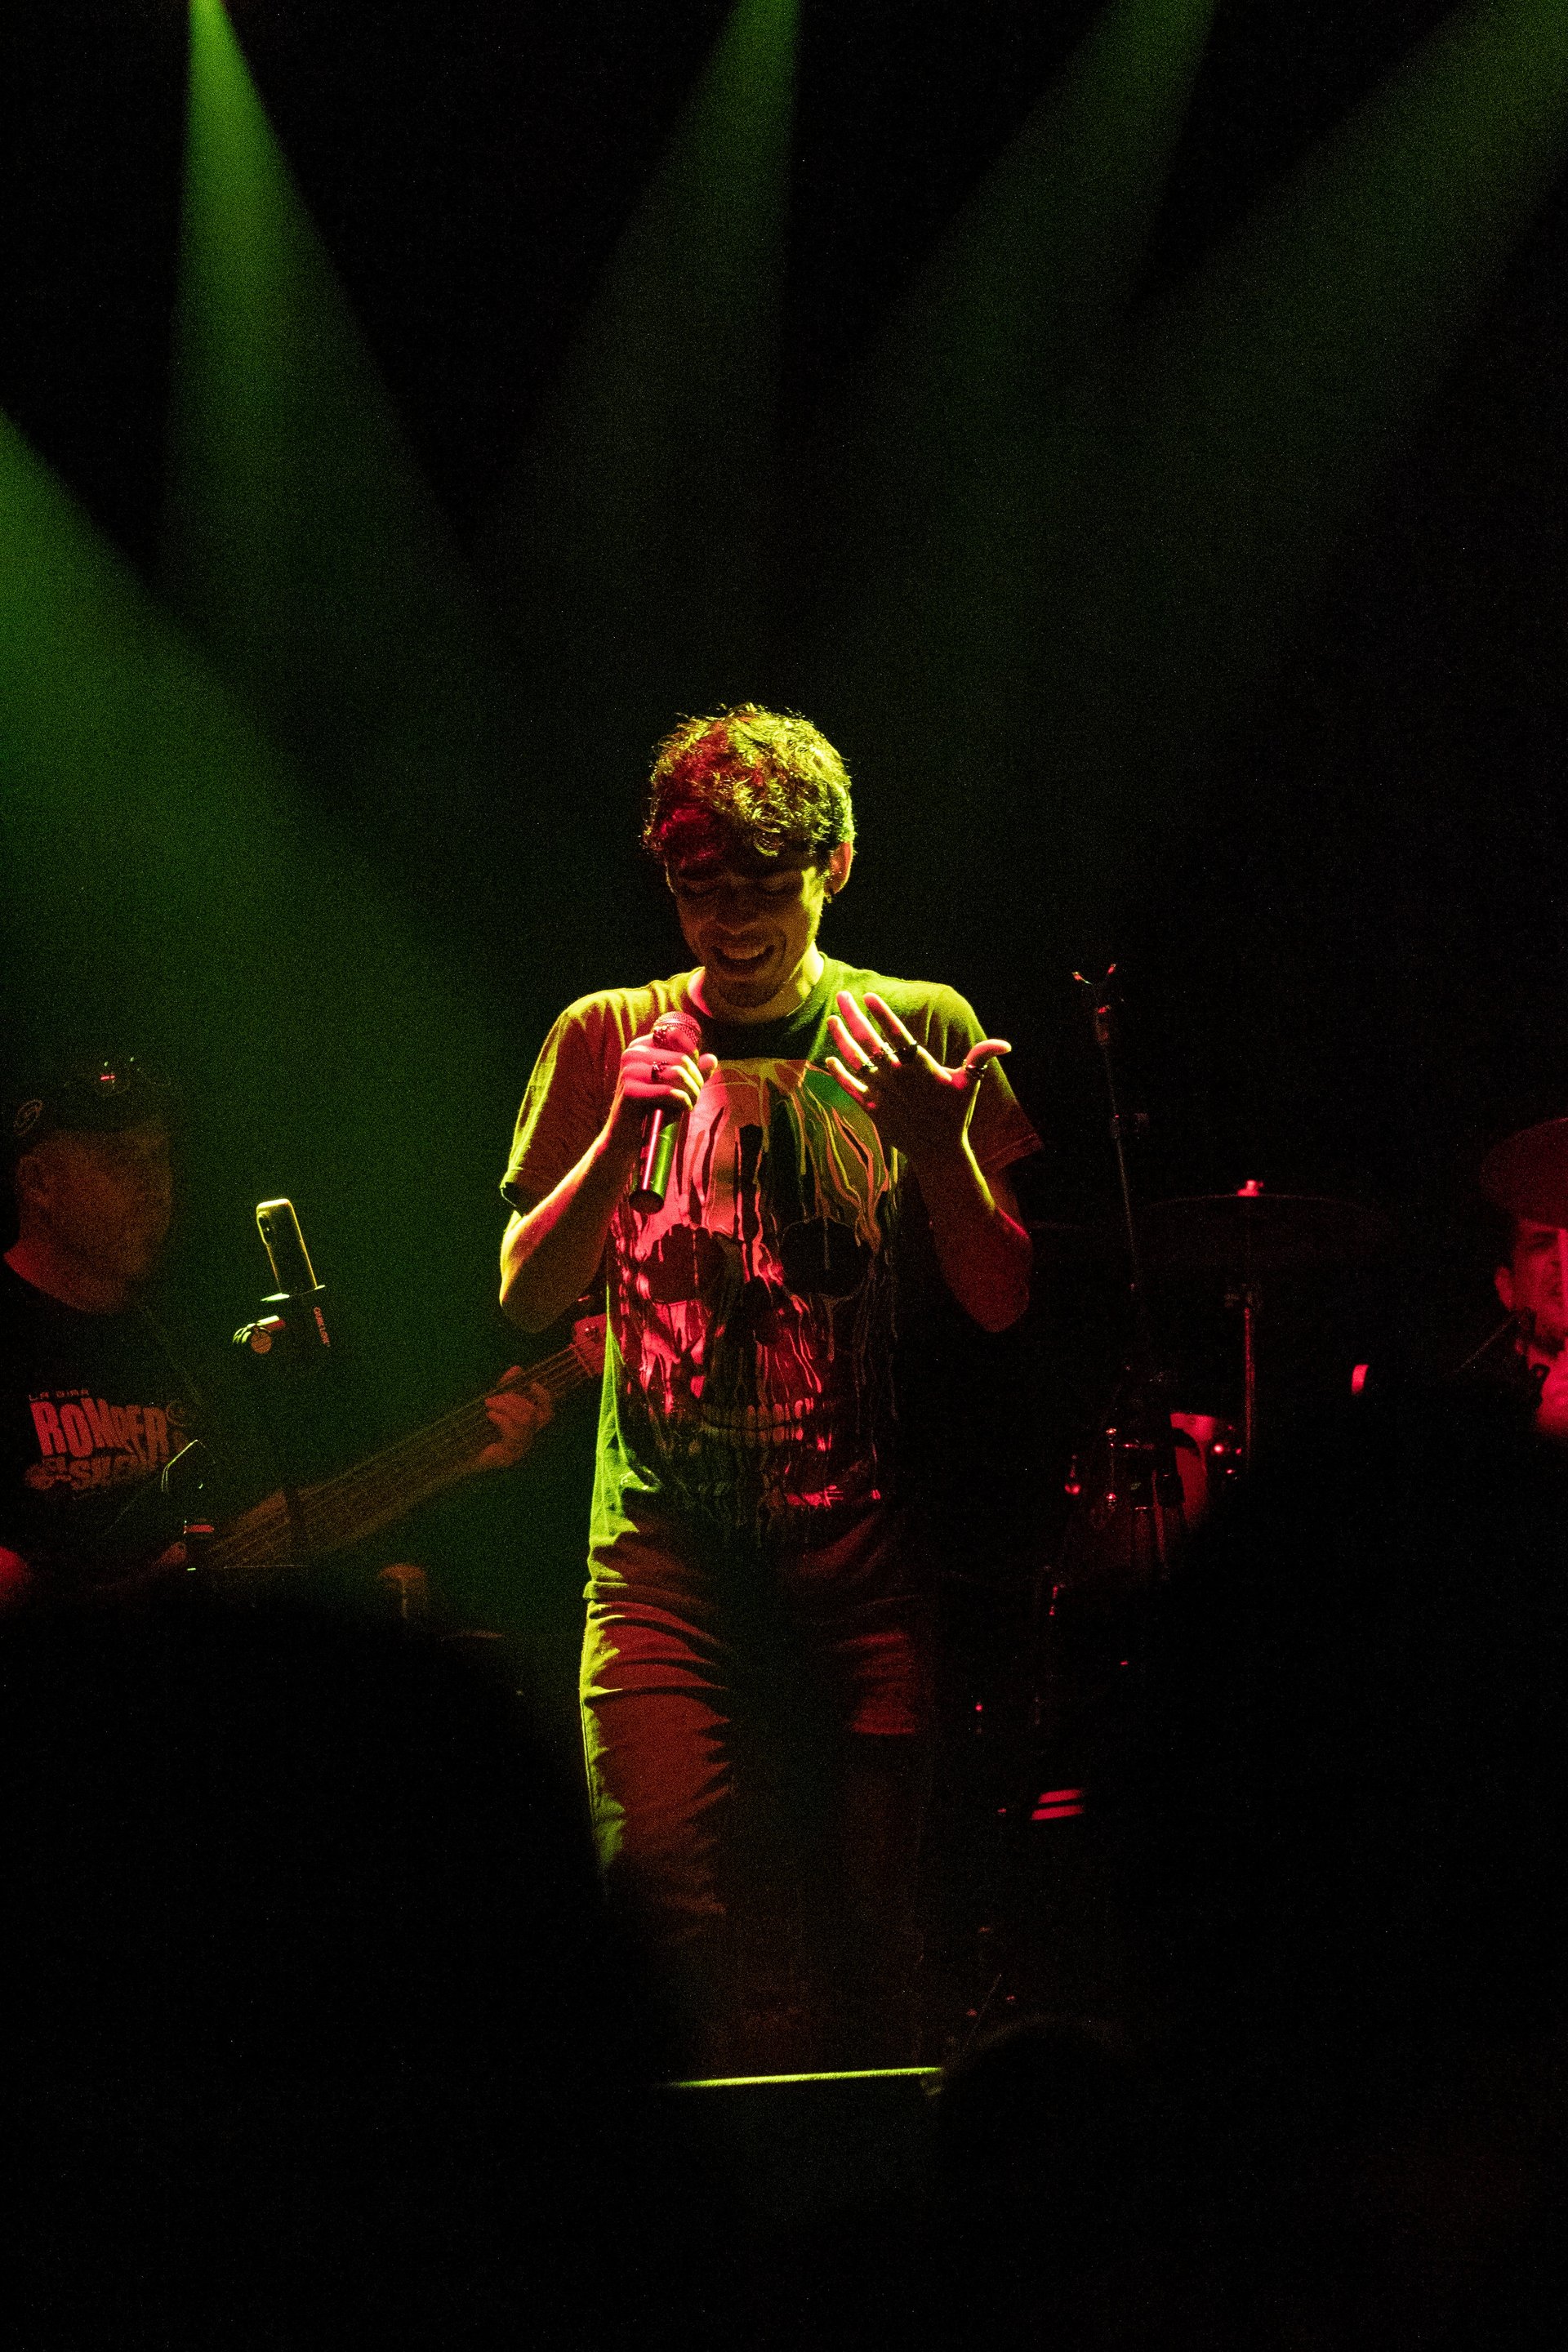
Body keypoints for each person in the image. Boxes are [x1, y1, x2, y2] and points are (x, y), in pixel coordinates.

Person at [498, 705, 1040, 2067]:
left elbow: (1003, 1300)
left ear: (838, 864)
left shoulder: (916, 1027)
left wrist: (945, 1152)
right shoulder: (606, 1034)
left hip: (860, 1559)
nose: (731, 920)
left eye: (763, 885)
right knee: (664, 1913)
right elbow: (521, 1295)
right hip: (664, 1564)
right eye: (699, 887)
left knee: (872, 1926)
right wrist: (622, 1135)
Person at [1, 1055, 549, 1606]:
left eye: (158, 1158)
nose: (153, 1187)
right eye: (120, 1162)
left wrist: (459, 1457)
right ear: (39, 1183)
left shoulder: (182, 1335)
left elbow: (260, 1529)